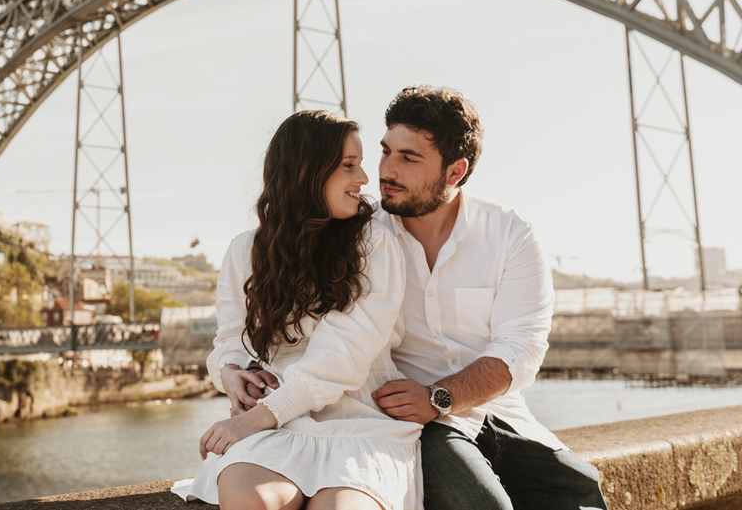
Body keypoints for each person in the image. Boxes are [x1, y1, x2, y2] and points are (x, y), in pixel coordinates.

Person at [368, 86, 607, 510]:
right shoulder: (363, 236)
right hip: (412, 426)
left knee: (581, 494)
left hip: (499, 415)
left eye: (408, 158)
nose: (386, 169)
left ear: (455, 172)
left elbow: (520, 349)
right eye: (386, 151)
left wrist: (437, 397)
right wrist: (245, 369)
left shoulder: (510, 234)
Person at [172, 110, 422, 510]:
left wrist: (254, 418)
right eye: (349, 165)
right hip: (277, 427)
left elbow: (343, 355)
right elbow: (230, 340)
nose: (363, 178)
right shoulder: (245, 250)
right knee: (248, 500)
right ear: (308, 171)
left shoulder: (373, 243)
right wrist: (232, 375)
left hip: (359, 423)